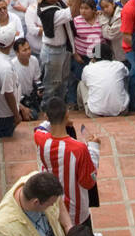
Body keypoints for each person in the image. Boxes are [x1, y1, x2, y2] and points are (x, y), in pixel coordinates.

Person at [33, 95, 100, 225]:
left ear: (46, 116)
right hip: (77, 214)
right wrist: (94, 148)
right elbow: (89, 181)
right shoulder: (79, 149)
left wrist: (54, 120)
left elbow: (39, 128)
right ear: (67, 115)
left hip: (51, 208)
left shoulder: (40, 138)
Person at [0, 171, 69, 236]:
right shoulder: (5, 231)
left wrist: (68, 226)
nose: (53, 205)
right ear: (36, 202)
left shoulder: (36, 178)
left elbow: (58, 202)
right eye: (50, 204)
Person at [77, 41, 129, 116]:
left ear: (94, 57)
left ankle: (82, 109)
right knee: (123, 77)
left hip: (95, 113)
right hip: (121, 111)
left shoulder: (88, 68)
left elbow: (84, 81)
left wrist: (91, 62)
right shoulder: (118, 65)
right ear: (111, 55)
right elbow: (127, 73)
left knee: (81, 83)